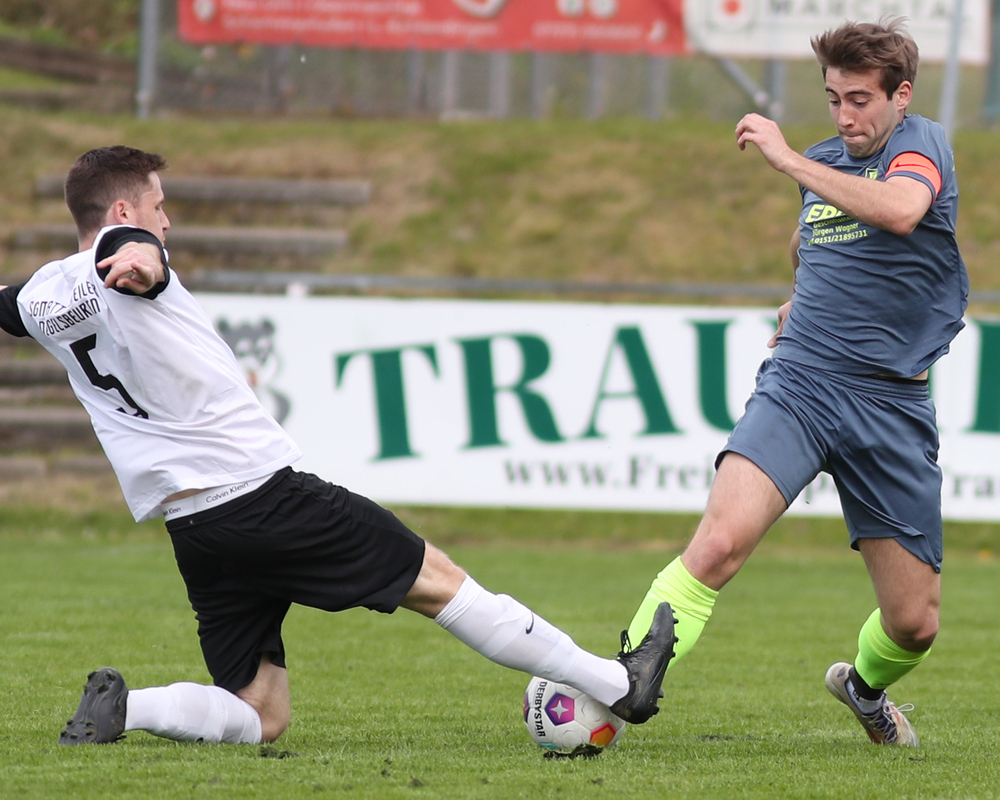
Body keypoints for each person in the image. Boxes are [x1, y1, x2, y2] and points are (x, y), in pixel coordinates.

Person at [0, 145, 677, 746]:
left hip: (195, 529)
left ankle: (126, 709)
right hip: (263, 497)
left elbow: (11, 300)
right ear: (123, 210)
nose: (166, 221)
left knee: (263, 714)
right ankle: (621, 684)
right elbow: (138, 254)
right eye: (158, 205)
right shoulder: (127, 251)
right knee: (441, 584)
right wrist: (141, 260)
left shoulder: (42, 296)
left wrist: (133, 261)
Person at [624, 18, 967, 747]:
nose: (844, 117)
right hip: (802, 384)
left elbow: (901, 210)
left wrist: (784, 159)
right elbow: (808, 240)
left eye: (860, 100)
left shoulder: (922, 145)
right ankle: (612, 689)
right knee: (717, 545)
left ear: (901, 96)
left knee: (914, 623)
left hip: (891, 406)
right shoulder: (826, 164)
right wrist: (801, 294)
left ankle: (864, 688)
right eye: (833, 99)